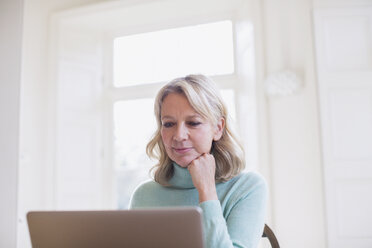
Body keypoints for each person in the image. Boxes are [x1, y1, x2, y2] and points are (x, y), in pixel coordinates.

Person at [129, 74, 267, 248]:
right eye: (169, 124)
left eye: (193, 123)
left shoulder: (247, 187)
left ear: (218, 128)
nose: (179, 136)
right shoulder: (144, 195)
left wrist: (207, 190)